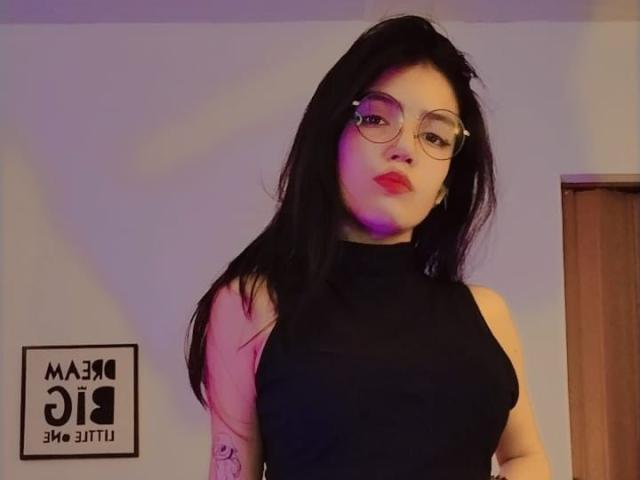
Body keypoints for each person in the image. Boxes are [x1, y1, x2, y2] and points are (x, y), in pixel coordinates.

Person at [186, 14, 551, 480]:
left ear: (445, 185)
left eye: (434, 135)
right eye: (377, 118)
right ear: (330, 139)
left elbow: (525, 456)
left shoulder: (488, 314)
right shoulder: (250, 306)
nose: (405, 148)